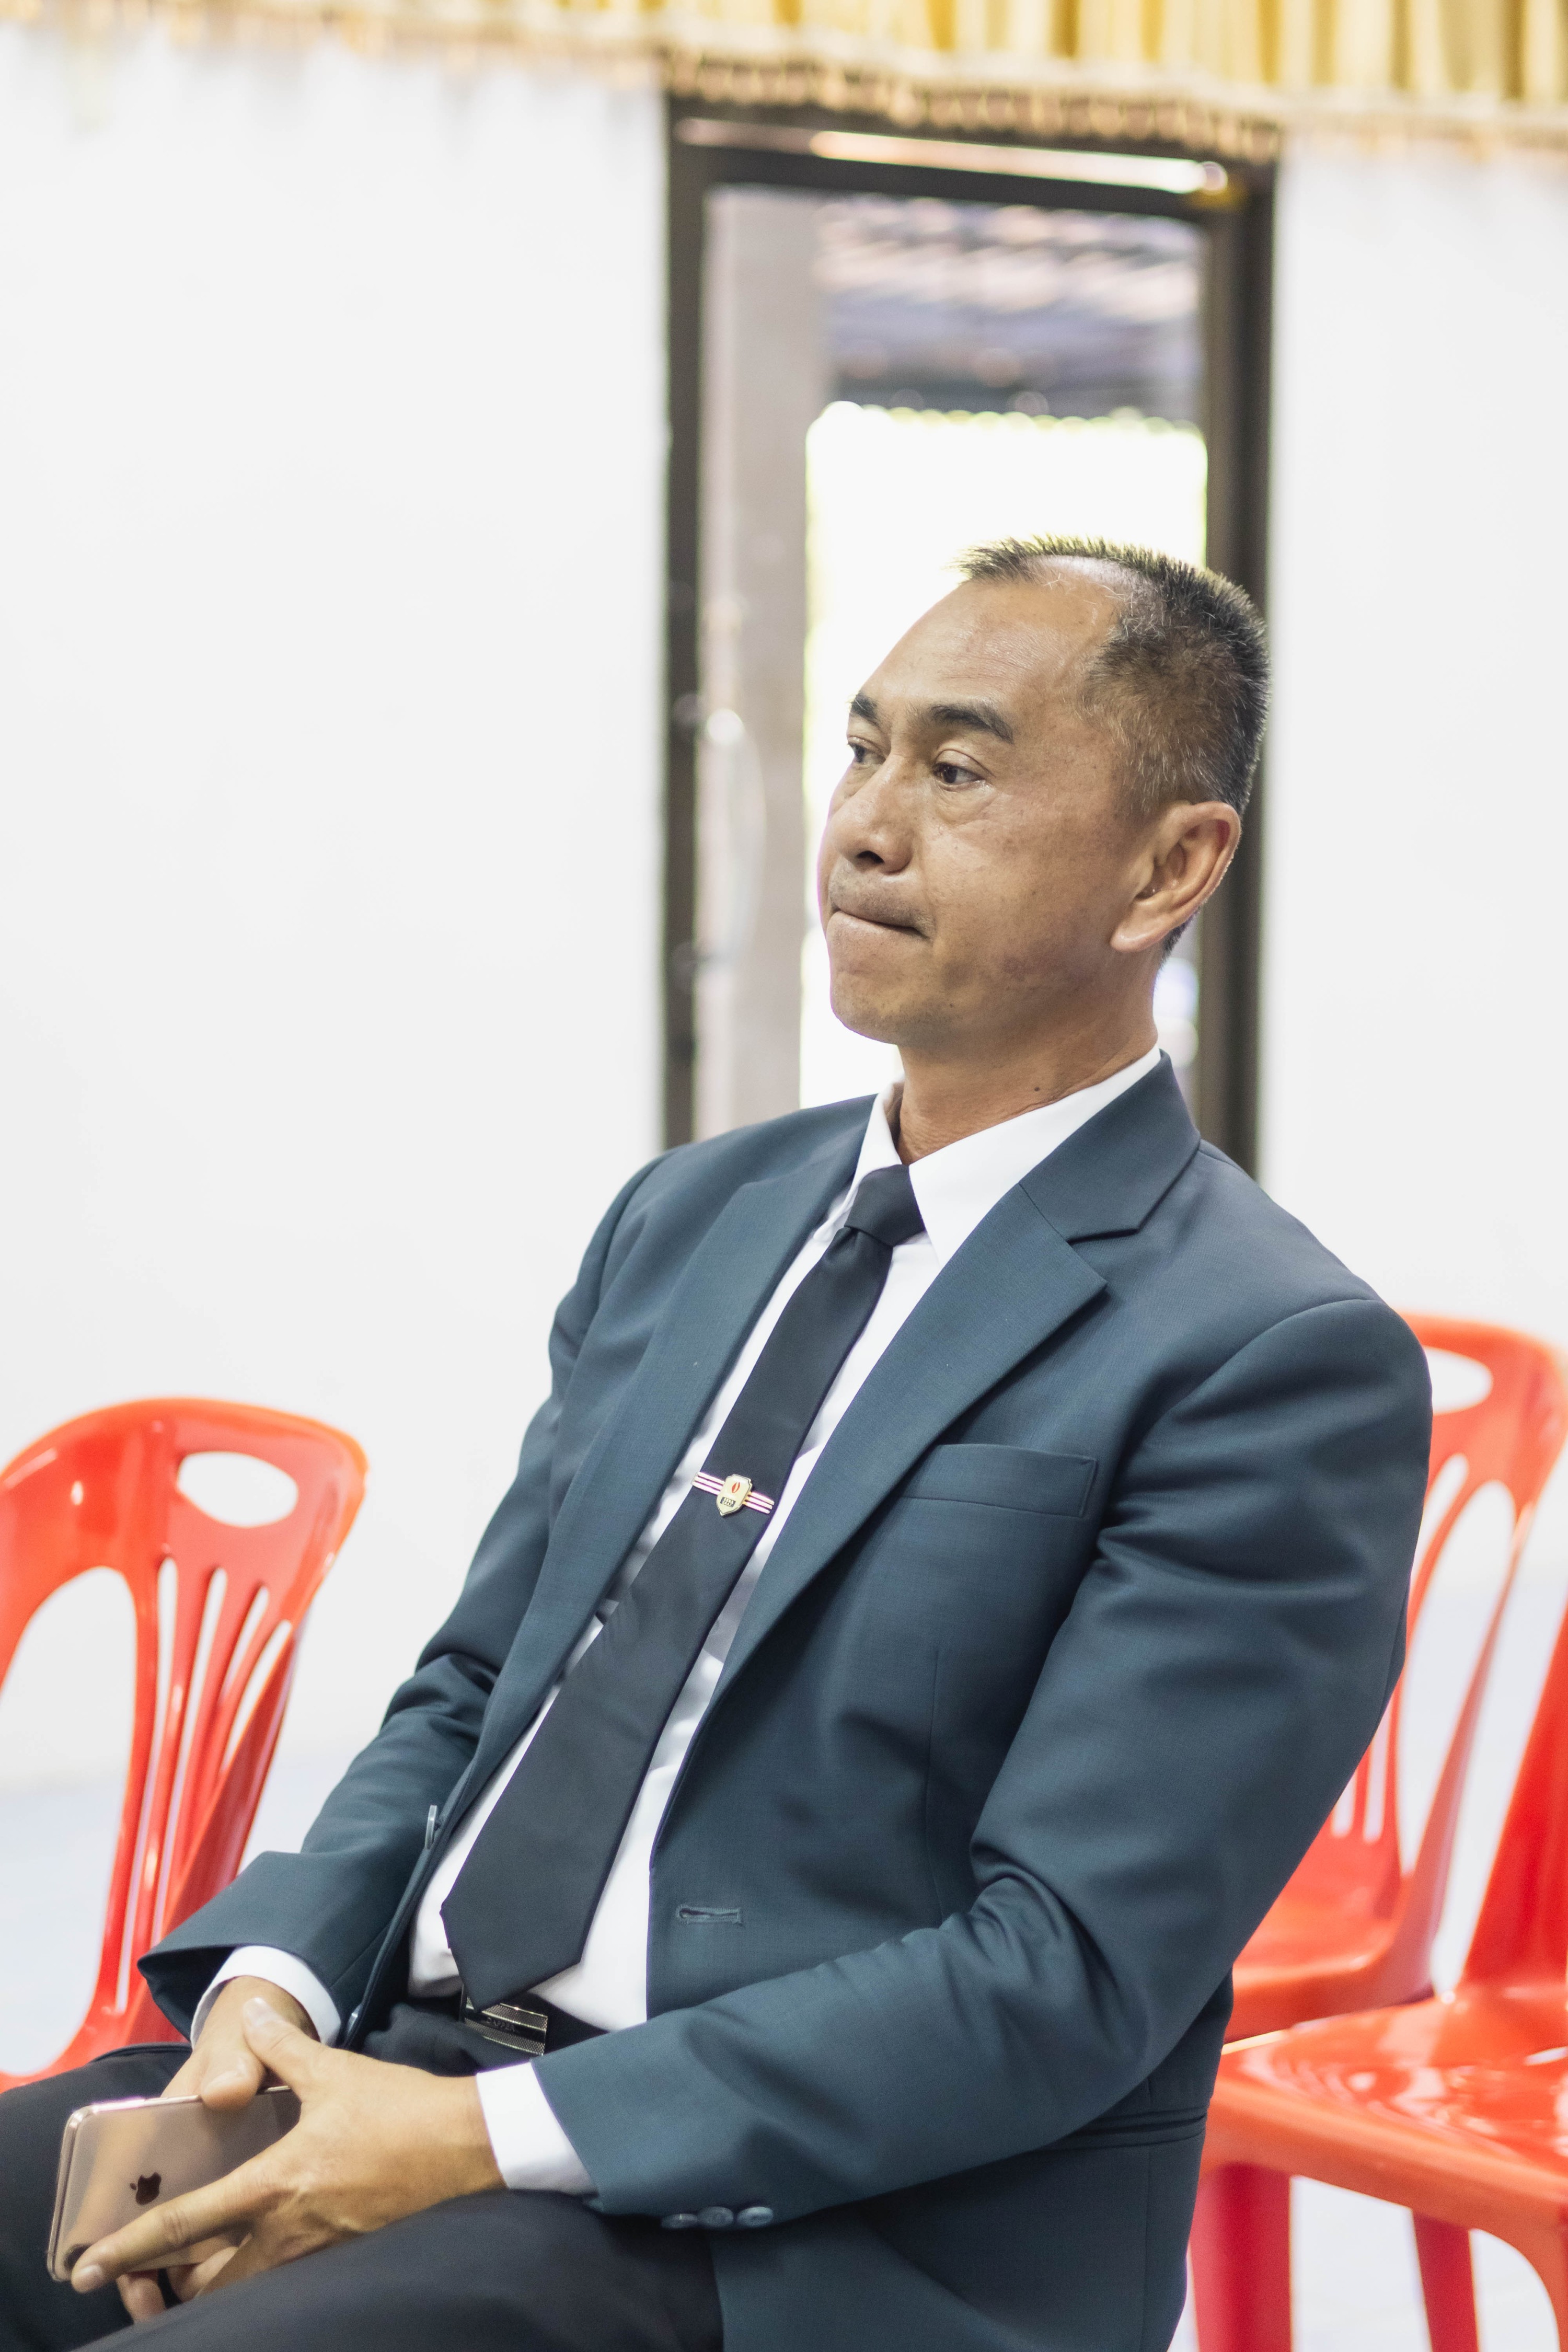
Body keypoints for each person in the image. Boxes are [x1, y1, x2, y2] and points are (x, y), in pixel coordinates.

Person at [0, 537, 1431, 2352]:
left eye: (960, 769)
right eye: (864, 748)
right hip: (413, 2064)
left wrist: (478, 2142)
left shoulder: (1267, 1356)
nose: (866, 825)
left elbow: (1060, 1972)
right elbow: (475, 1686)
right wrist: (274, 1986)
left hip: (804, 2231)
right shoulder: (695, 1219)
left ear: (1173, 866)